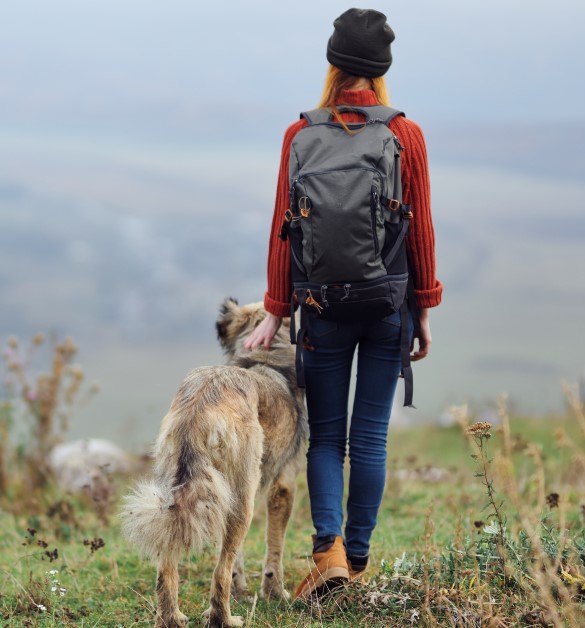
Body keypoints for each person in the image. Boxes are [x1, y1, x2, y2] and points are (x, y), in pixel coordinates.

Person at [241, 8, 443, 602]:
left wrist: (276, 311)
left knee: (326, 439)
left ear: (332, 64)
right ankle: (355, 561)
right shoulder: (405, 135)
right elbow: (422, 231)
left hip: (321, 311)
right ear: (381, 70)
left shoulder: (299, 135)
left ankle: (325, 552)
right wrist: (423, 308)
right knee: (371, 438)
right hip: (388, 307)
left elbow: (282, 229)